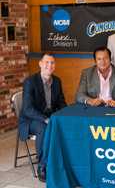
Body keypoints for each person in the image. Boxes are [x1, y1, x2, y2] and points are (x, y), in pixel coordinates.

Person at [19, 53, 66, 182]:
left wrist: (64, 116)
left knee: (62, 125)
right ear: (40, 63)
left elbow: (61, 103)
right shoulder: (30, 82)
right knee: (45, 127)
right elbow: (27, 109)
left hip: (49, 116)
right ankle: (42, 165)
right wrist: (45, 119)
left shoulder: (57, 81)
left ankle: (59, 161)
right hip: (31, 119)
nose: (49, 65)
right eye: (47, 62)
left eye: (52, 63)